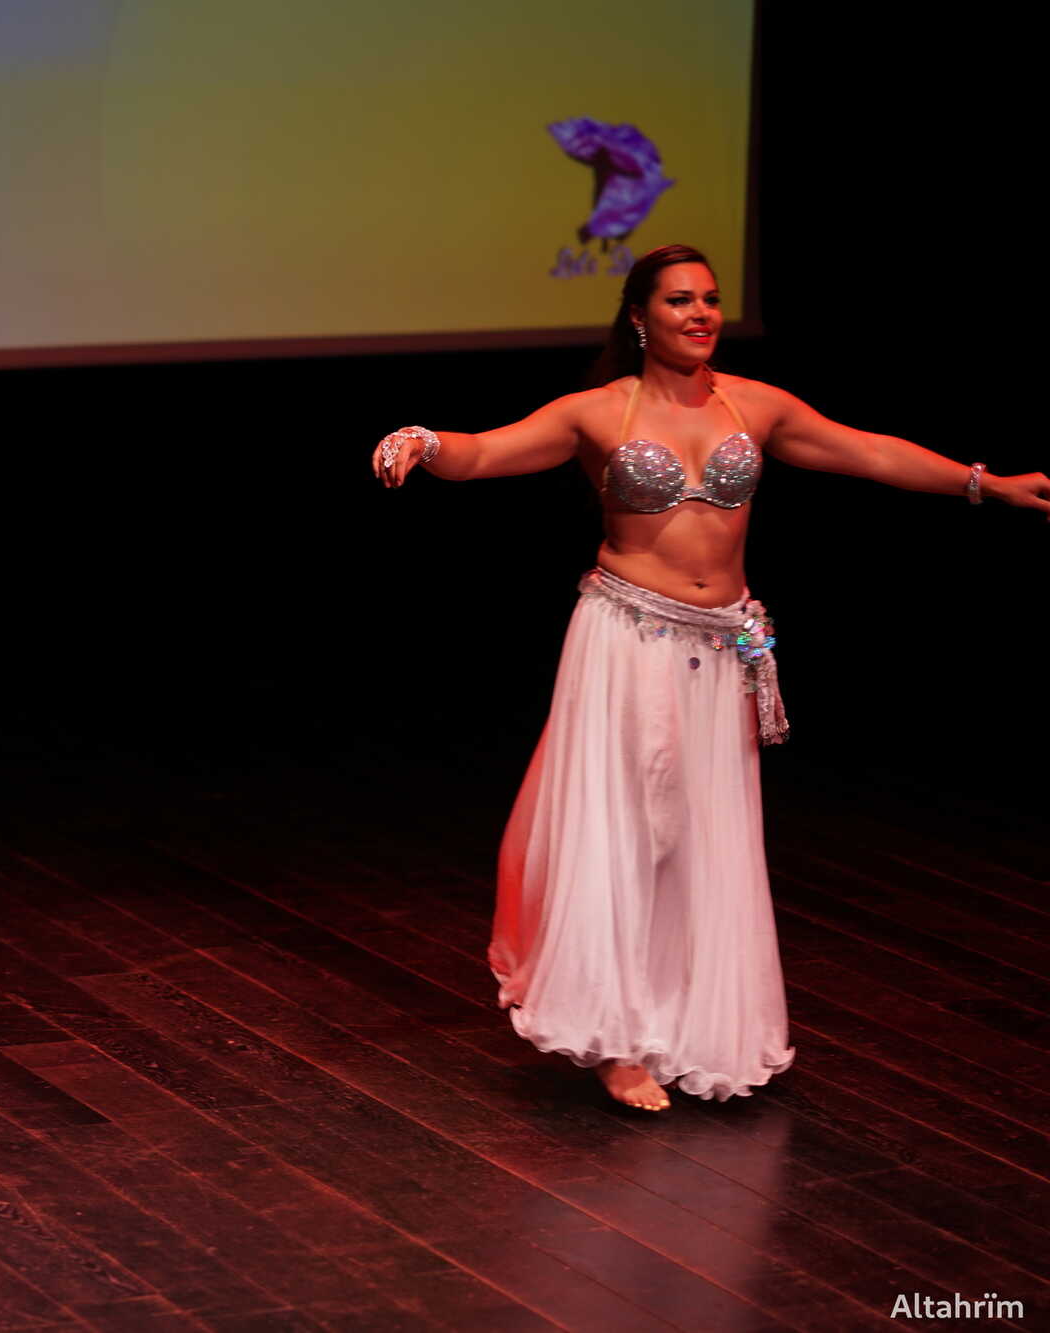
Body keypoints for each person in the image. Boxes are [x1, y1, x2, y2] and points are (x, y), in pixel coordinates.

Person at [371, 244, 1047, 1112]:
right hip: (628, 637)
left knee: (703, 836)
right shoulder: (597, 410)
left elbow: (867, 453)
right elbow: (486, 452)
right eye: (680, 300)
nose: (700, 314)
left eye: (711, 299)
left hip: (722, 648)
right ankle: (616, 1040)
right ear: (638, 316)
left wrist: (982, 483)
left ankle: (691, 1026)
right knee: (631, 829)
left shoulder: (753, 405)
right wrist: (426, 441)